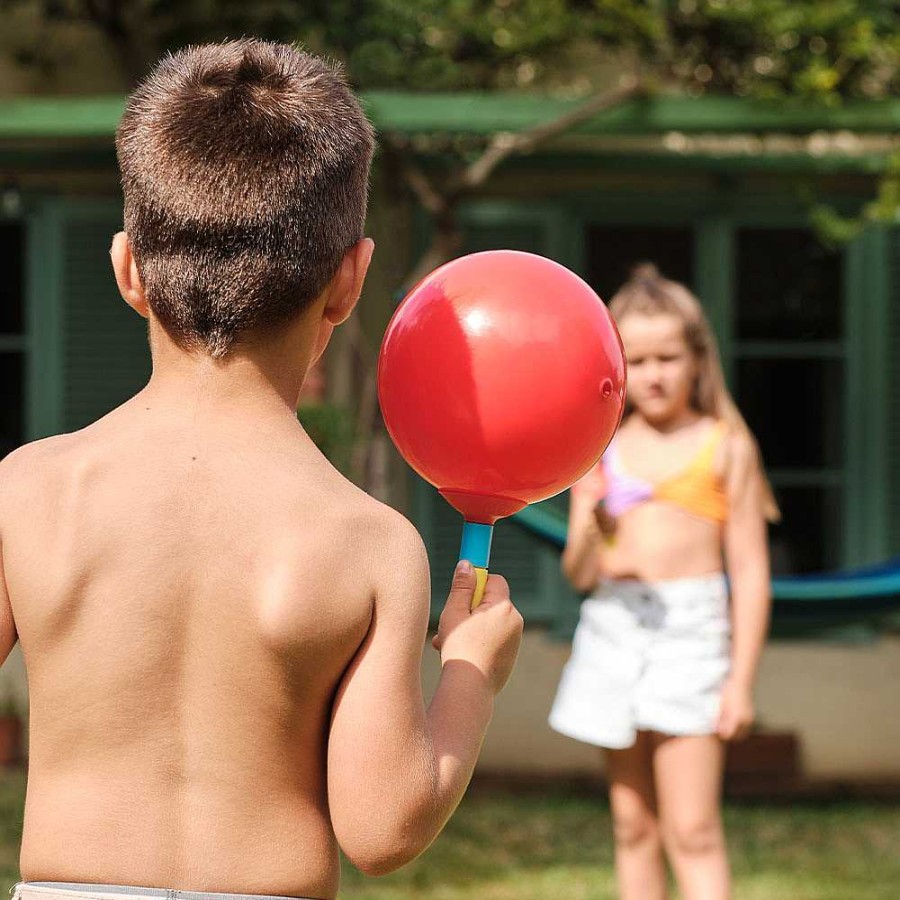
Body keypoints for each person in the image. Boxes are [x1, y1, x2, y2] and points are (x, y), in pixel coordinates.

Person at [0, 40, 523, 900]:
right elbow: (381, 829)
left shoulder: (32, 493)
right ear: (350, 282)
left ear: (129, 270)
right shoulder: (367, 541)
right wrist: (471, 671)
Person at [549, 264, 775, 900]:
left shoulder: (724, 446)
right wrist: (594, 522)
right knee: (631, 824)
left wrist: (740, 682)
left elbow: (752, 574)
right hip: (614, 630)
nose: (653, 374)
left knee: (695, 826)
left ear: (696, 358)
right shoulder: (600, 448)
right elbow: (577, 574)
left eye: (668, 357)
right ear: (616, 364)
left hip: (692, 637)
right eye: (637, 358)